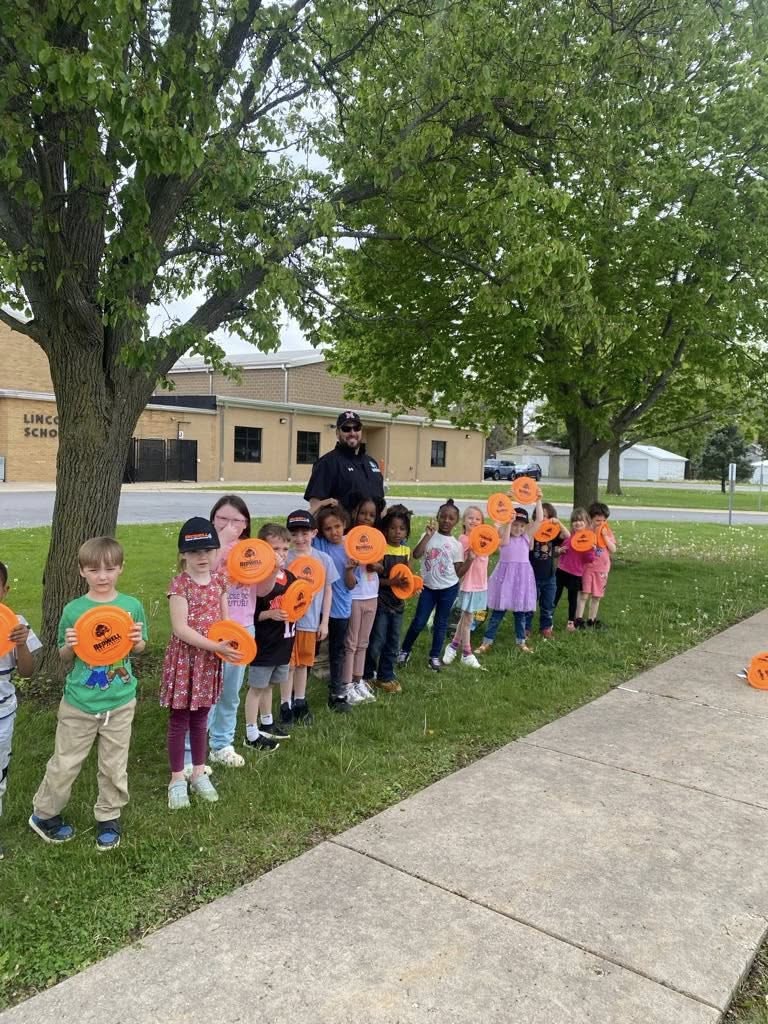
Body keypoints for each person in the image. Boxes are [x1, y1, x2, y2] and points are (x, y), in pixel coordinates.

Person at [29, 537, 147, 849]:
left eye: (110, 568)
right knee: (66, 761)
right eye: (94, 569)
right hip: (79, 702)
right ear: (82, 572)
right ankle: (44, 814)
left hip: (120, 701)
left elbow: (138, 648)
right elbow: (64, 657)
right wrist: (69, 644)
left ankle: (108, 816)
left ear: (120, 568)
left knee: (113, 764)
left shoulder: (131, 606)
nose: (103, 576)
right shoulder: (73, 610)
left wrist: (136, 641)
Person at [161, 517, 237, 811]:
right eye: (194, 552)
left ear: (216, 551)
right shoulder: (180, 584)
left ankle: (198, 772)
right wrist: (214, 646)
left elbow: (225, 620)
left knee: (201, 717)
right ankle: (177, 778)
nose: (201, 557)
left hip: (209, 661)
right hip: (186, 661)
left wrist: (229, 645)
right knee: (179, 719)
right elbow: (181, 629)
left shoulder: (220, 581)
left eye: (207, 550)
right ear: (183, 555)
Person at [203, 494, 256, 769]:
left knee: (231, 690)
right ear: (213, 519)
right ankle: (197, 745)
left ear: (246, 524)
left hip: (243, 627)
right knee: (209, 689)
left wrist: (273, 570)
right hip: (213, 629)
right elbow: (204, 576)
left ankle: (221, 743)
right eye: (222, 519)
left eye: (236, 520)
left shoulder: (252, 550)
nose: (229, 525)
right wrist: (221, 542)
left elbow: (265, 588)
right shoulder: (203, 548)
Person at [397, 499, 470, 672]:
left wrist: (471, 560)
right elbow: (416, 554)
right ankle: (404, 650)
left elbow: (458, 572)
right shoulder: (428, 535)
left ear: (456, 521)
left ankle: (434, 656)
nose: (446, 520)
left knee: (441, 623)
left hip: (448, 588)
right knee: (419, 621)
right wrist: (428, 536)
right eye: (443, 516)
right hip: (428, 588)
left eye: (451, 518)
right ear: (437, 517)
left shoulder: (456, 545)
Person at [0, 560, 41, 859]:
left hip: (2, 715)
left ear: (5, 591)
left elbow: (27, 672)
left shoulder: (14, 624)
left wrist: (22, 644)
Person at [244, 524, 297, 747]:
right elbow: (251, 614)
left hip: (283, 643)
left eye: (285, 549)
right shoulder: (258, 580)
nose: (281, 554)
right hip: (263, 645)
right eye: (275, 548)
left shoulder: (291, 577)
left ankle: (267, 723)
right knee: (256, 688)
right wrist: (270, 614)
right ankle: (251, 732)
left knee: (269, 686)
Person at [283, 509, 337, 727]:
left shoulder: (323, 559)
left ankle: (300, 702)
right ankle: (285, 704)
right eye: (294, 534)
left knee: (304, 663)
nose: (299, 539)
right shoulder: (284, 558)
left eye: (304, 533)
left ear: (314, 533)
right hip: (287, 621)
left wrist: (324, 622)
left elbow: (328, 591)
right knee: (288, 664)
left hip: (311, 622)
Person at [476, 492, 543, 655]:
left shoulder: (527, 537)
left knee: (520, 613)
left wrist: (538, 500)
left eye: (521, 525)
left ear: (526, 526)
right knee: (498, 612)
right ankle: (487, 641)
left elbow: (540, 519)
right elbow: (504, 538)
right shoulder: (502, 534)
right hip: (505, 578)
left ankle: (521, 642)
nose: (518, 528)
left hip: (521, 578)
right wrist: (508, 507)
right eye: (515, 525)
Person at [313, 504, 357, 712]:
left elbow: (351, 585)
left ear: (345, 524)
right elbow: (307, 527)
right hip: (318, 609)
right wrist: (322, 505)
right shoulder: (319, 544)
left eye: (337, 526)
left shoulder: (351, 548)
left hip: (340, 610)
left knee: (337, 651)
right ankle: (297, 692)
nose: (334, 532)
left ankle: (337, 692)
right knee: (310, 649)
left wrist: (350, 570)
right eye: (328, 528)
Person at [364, 505, 412, 693]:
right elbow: (375, 579)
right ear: (385, 529)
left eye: (401, 529)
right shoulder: (380, 549)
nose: (397, 532)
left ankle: (386, 676)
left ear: (407, 531)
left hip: (398, 605)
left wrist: (412, 586)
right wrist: (392, 581)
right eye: (392, 528)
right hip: (381, 604)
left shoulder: (405, 551)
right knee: (377, 640)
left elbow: (406, 576)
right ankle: (367, 674)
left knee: (393, 641)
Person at [342, 497, 384, 705]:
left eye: (371, 515)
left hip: (372, 595)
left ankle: (358, 680)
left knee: (363, 642)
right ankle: (346, 684)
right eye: (363, 513)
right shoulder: (347, 540)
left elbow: (381, 567)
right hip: (355, 597)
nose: (367, 518)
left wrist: (376, 566)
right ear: (354, 514)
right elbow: (347, 579)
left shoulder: (377, 540)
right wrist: (351, 567)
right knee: (351, 642)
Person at [304, 410, 385, 516]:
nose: (352, 433)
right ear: (337, 433)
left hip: (374, 531)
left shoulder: (371, 462)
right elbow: (316, 504)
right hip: (345, 531)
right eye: (346, 429)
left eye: (356, 428)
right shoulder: (327, 463)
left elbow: (381, 502)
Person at [443, 506, 486, 669]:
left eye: (477, 519)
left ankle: (453, 645)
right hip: (468, 583)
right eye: (470, 518)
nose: (474, 521)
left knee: (467, 617)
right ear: (464, 521)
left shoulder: (485, 538)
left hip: (481, 583)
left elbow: (500, 539)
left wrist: (506, 519)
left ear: (482, 522)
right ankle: (467, 653)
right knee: (467, 617)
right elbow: (461, 558)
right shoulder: (463, 539)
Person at [526, 502, 569, 639]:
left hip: (550, 576)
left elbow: (567, 535)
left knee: (548, 605)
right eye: (541, 516)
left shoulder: (552, 533)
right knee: (530, 604)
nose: (544, 519)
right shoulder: (532, 531)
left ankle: (546, 628)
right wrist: (533, 525)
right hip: (533, 576)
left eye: (547, 516)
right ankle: (526, 628)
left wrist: (558, 523)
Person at [575, 502, 617, 629]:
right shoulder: (586, 531)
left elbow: (613, 549)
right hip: (587, 567)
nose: (601, 523)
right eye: (598, 520)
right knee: (584, 594)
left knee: (597, 596)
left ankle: (592, 620)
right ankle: (579, 619)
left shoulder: (607, 532)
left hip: (602, 568)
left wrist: (604, 536)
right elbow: (579, 546)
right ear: (591, 519)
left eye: (604, 520)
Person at [554, 507, 595, 631]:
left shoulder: (588, 541)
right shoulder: (568, 537)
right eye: (575, 520)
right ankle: (548, 618)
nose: (577, 523)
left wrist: (590, 549)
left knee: (572, 599)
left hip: (575, 574)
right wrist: (559, 551)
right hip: (561, 571)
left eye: (580, 520)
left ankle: (571, 622)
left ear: (587, 523)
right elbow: (557, 550)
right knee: (554, 596)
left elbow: (590, 559)